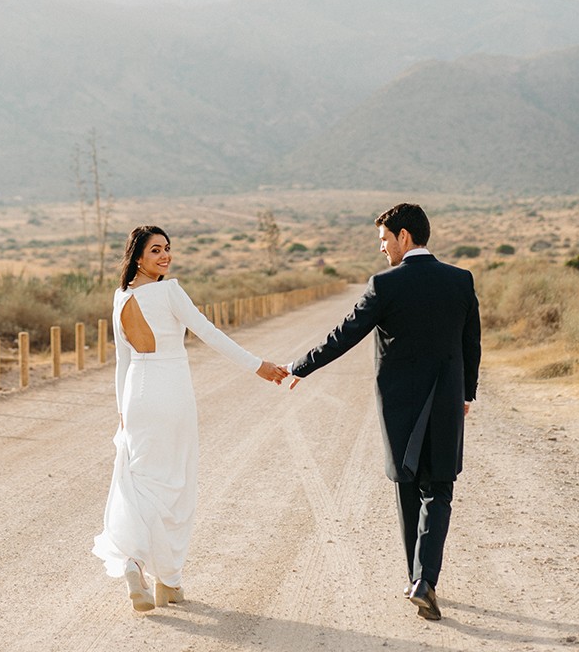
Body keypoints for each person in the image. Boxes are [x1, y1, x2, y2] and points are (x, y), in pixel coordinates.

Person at [286, 202, 481, 622]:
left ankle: (416, 578)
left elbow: (345, 334)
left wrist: (300, 367)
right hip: (446, 399)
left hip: (400, 405)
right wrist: (467, 394)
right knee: (440, 488)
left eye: (384, 240)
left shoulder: (385, 285)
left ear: (404, 237)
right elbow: (472, 344)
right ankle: (424, 579)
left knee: (407, 484)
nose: (382, 249)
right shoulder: (461, 281)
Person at [93, 225, 287, 612]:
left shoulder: (121, 297)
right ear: (137, 257)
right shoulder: (169, 291)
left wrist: (122, 411)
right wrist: (257, 366)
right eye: (155, 251)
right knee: (175, 484)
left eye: (167, 249)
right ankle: (164, 577)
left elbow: (123, 363)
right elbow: (209, 333)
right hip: (171, 391)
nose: (164, 256)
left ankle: (144, 567)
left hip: (137, 395)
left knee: (141, 478)